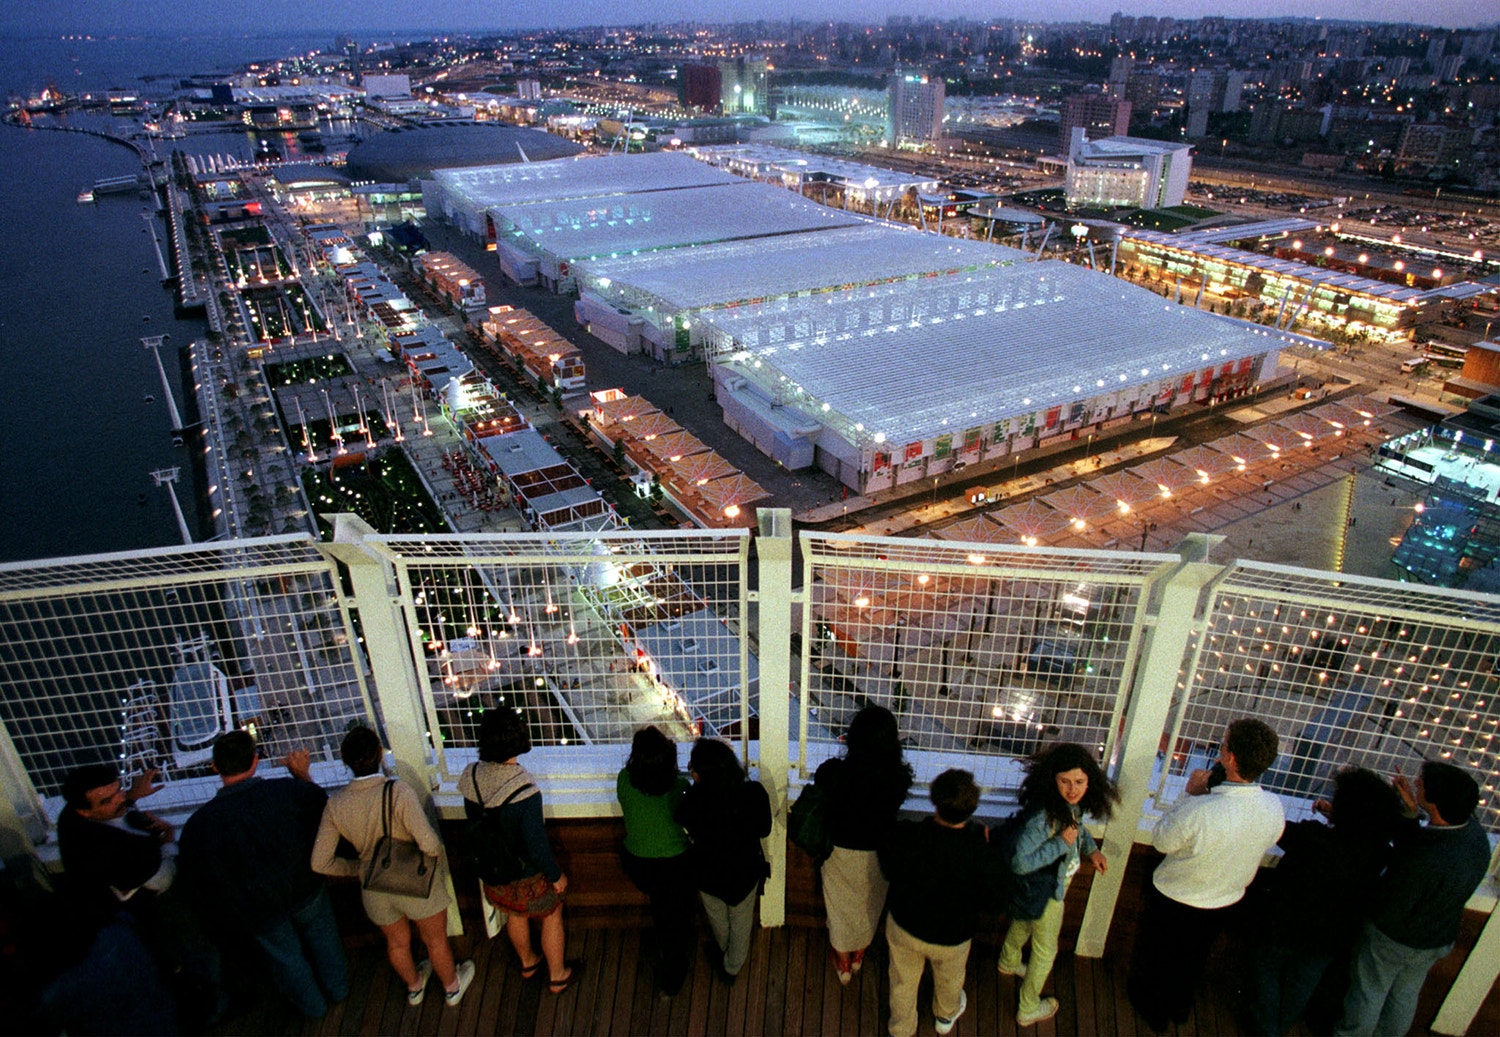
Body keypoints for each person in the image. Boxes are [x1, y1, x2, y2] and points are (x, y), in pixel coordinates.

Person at [1127, 718, 1285, 1033]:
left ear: (1231, 758)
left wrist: (1190, 794)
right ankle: (1179, 1007)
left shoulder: (1202, 809)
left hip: (1177, 897)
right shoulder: (1273, 806)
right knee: (1193, 957)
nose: (1219, 750)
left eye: (1223, 745)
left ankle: (1153, 1011)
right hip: (1225, 900)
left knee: (1158, 956)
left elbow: (1162, 840)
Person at [177, 731, 349, 1018]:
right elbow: (321, 807)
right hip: (304, 887)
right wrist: (301, 775)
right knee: (324, 939)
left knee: (286, 960)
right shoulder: (290, 792)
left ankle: (314, 1009)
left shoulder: (200, 825)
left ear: (215, 767)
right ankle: (339, 989)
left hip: (257, 908)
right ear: (255, 760)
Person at [312, 726, 475, 1008]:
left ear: (346, 762)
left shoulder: (336, 804)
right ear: (379, 753)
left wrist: (359, 868)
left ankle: (414, 987)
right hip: (415, 882)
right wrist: (434, 861)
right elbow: (429, 843)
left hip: (375, 888)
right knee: (435, 941)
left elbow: (320, 862)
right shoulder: (397, 791)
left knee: (397, 944)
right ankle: (451, 988)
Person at [1334, 761, 1492, 1037]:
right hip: (1436, 938)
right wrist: (1411, 811)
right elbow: (1424, 846)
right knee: (1404, 996)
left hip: (1393, 940)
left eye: (1420, 783)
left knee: (1368, 993)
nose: (1415, 783)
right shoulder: (1475, 837)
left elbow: (1397, 892)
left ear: (1435, 801)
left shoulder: (1424, 860)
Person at [1248, 767, 1400, 1037]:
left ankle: (1267, 1029)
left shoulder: (1311, 837)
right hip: (1330, 937)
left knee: (1267, 970)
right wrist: (1340, 817)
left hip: (1286, 925)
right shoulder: (1380, 853)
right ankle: (1279, 1027)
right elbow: (1360, 837)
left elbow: (1275, 828)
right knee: (1302, 984)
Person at [998, 743, 1120, 1027]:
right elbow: (1020, 862)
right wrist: (1061, 844)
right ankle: (1028, 1007)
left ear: (1089, 781)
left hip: (1034, 891)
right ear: (1053, 779)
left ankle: (1008, 960)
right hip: (1048, 891)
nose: (1072, 789)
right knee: (1045, 952)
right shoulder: (1045, 817)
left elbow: (1076, 829)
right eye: (1065, 781)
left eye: (1079, 782)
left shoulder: (1065, 806)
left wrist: (1091, 850)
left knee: (1023, 923)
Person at [460, 707, 580, 996]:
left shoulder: (471, 776)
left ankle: (528, 962)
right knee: (551, 913)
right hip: (526, 875)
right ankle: (557, 975)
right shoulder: (524, 790)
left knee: (515, 913)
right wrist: (556, 876)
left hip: (493, 871)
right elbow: (536, 846)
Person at [878, 769, 996, 1037]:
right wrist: (984, 847)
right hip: (953, 936)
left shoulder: (909, 836)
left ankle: (901, 1028)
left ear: (935, 801)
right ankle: (945, 1016)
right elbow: (995, 899)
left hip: (906, 926)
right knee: (949, 979)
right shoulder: (979, 851)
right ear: (972, 808)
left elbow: (888, 866)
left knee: (902, 981)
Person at [814, 704, 914, 983]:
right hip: (878, 853)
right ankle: (858, 955)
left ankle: (843, 963)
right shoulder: (897, 779)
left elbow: (820, 780)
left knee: (839, 908)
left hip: (839, 853)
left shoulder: (835, 772)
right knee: (869, 907)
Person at [676, 738, 771, 983]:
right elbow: (764, 829)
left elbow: (684, 821)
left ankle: (724, 951)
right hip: (743, 874)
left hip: (707, 875)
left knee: (718, 919)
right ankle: (732, 967)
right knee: (741, 923)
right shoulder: (752, 794)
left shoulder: (692, 801)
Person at [615, 725, 694, 995]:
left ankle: (670, 947)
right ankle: (673, 970)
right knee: (671, 915)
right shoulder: (680, 788)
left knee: (662, 909)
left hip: (638, 864)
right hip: (675, 866)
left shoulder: (624, 781)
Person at [57, 763, 176, 927]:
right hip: (131, 912)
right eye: (107, 801)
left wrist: (132, 796)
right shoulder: (108, 849)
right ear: (83, 811)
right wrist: (168, 837)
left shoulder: (72, 814)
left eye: (119, 789)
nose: (121, 799)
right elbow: (163, 877)